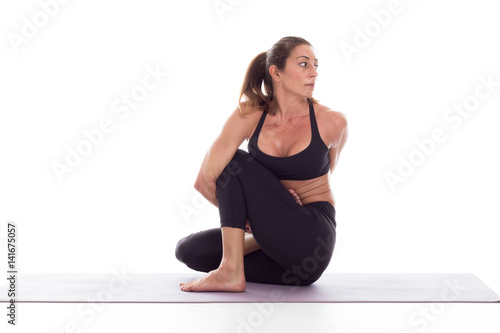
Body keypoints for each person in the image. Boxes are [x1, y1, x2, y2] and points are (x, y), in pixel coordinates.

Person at [175, 36, 348, 292]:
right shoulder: (250, 115)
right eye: (304, 64)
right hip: (284, 263)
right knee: (189, 250)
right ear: (276, 72)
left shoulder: (333, 122)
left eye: (316, 65)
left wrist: (285, 211)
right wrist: (257, 221)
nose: (314, 73)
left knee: (233, 160)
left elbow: (328, 173)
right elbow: (204, 181)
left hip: (311, 238)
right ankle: (234, 262)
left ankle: (231, 270)